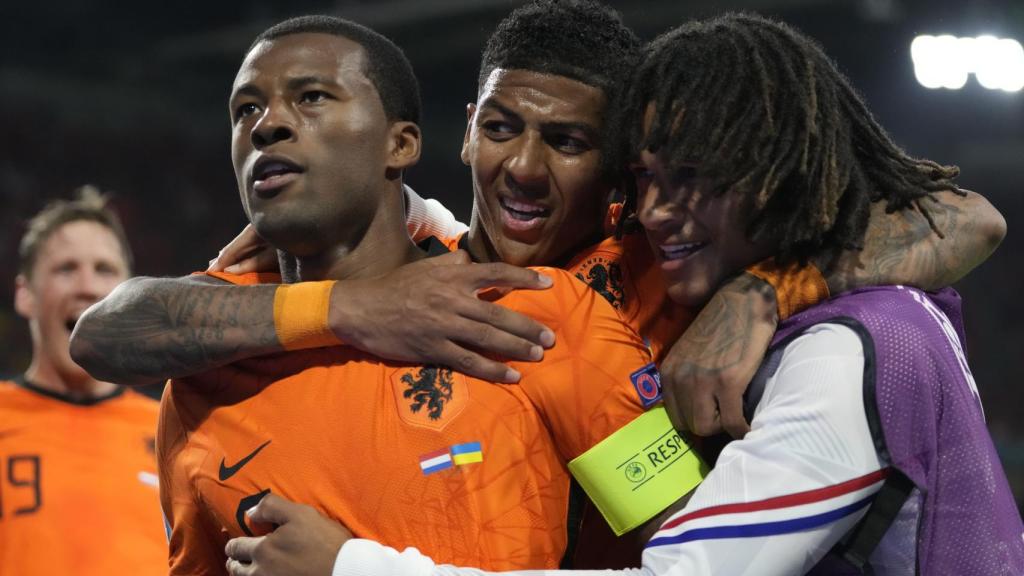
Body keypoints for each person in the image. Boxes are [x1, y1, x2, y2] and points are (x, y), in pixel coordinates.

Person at [225, 12, 1020, 576]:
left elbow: (969, 216)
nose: (659, 208)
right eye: (502, 128)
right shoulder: (428, 262)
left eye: (568, 142)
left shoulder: (730, 296)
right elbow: (123, 326)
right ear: (466, 131)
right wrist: (333, 299)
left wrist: (767, 290)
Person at [153, 15, 704, 575]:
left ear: (402, 142)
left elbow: (700, 564)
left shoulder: (546, 319)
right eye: (245, 109)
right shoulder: (203, 361)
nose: (268, 124)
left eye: (312, 97)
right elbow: (107, 330)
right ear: (468, 134)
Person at [0, 187, 165, 576]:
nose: (87, 286)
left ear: (131, 294)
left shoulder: (176, 432)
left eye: (104, 269)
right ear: (25, 295)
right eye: (66, 269)